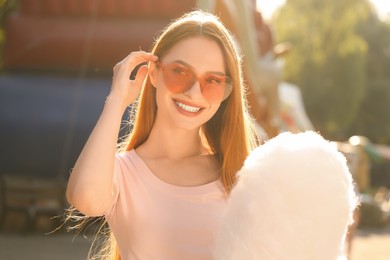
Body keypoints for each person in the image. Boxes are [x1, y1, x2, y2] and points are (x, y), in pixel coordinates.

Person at [66, 10, 259, 260]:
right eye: (180, 72)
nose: (193, 92)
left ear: (226, 93)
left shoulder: (240, 172)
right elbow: (85, 198)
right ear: (154, 72)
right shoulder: (123, 173)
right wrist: (116, 100)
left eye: (212, 81)